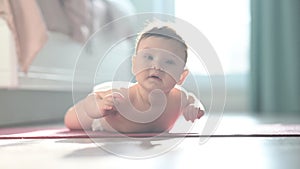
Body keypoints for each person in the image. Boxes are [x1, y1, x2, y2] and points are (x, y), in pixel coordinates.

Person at [64, 21, 205, 133]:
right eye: (149, 57)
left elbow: (193, 100)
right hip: (103, 117)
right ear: (134, 64)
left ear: (181, 76)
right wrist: (98, 107)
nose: (156, 66)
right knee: (73, 120)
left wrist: (194, 108)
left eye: (169, 61)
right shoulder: (121, 97)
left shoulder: (179, 98)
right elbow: (90, 102)